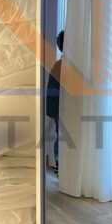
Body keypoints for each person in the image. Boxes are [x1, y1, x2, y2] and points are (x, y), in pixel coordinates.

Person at [46, 31, 64, 170]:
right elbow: (52, 91)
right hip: (61, 110)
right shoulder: (60, 66)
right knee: (62, 137)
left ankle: (59, 164)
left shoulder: (59, 65)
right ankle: (59, 164)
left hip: (60, 109)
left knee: (62, 137)